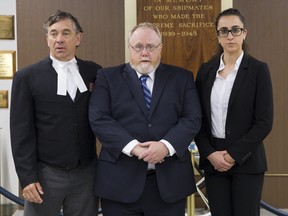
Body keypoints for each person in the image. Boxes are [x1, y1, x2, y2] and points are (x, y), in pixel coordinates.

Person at [88, 22, 202, 216]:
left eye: (150, 47)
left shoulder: (182, 78)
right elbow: (99, 118)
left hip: (169, 185)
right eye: (138, 47)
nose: (144, 52)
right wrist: (133, 147)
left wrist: (166, 146)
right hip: (119, 183)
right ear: (130, 48)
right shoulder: (107, 77)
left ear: (160, 48)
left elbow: (192, 118)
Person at [10, 10, 102, 216]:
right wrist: (27, 178)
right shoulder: (27, 77)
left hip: (86, 173)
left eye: (66, 33)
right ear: (47, 39)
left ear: (78, 38)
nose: (59, 39)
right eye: (53, 33)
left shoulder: (94, 71)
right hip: (44, 176)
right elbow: (20, 133)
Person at [195, 8, 273, 216]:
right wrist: (210, 154)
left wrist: (233, 155)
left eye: (235, 30)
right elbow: (197, 118)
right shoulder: (206, 71)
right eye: (224, 31)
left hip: (246, 160)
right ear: (218, 36)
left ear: (244, 33)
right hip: (214, 161)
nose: (230, 36)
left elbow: (264, 122)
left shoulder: (258, 70)